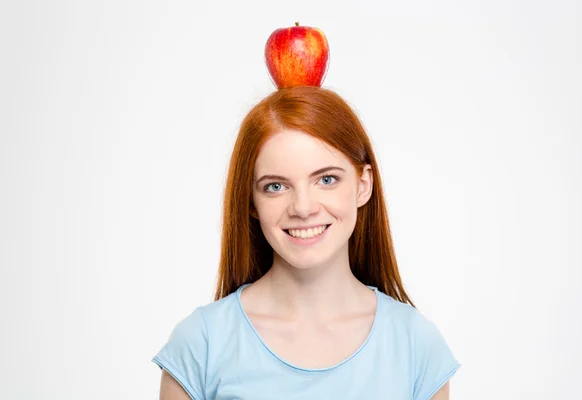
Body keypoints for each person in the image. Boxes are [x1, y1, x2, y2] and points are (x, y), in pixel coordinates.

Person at [152, 86, 461, 399]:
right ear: (251, 202)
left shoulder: (416, 346)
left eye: (326, 180)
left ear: (363, 185)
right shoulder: (200, 344)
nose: (303, 207)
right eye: (275, 186)